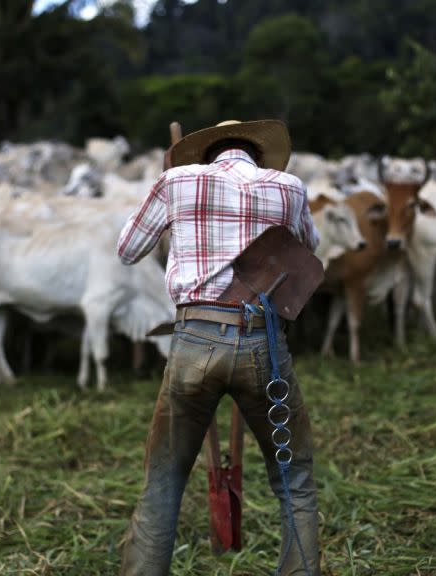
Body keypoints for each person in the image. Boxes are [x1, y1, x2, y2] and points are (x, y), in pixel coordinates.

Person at [116, 120, 321, 575]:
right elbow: (309, 248)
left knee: (163, 482)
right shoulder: (288, 187)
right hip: (261, 342)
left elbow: (128, 250)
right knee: (296, 481)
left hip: (193, 340)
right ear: (256, 151)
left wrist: (176, 213)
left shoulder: (176, 181)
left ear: (208, 153)